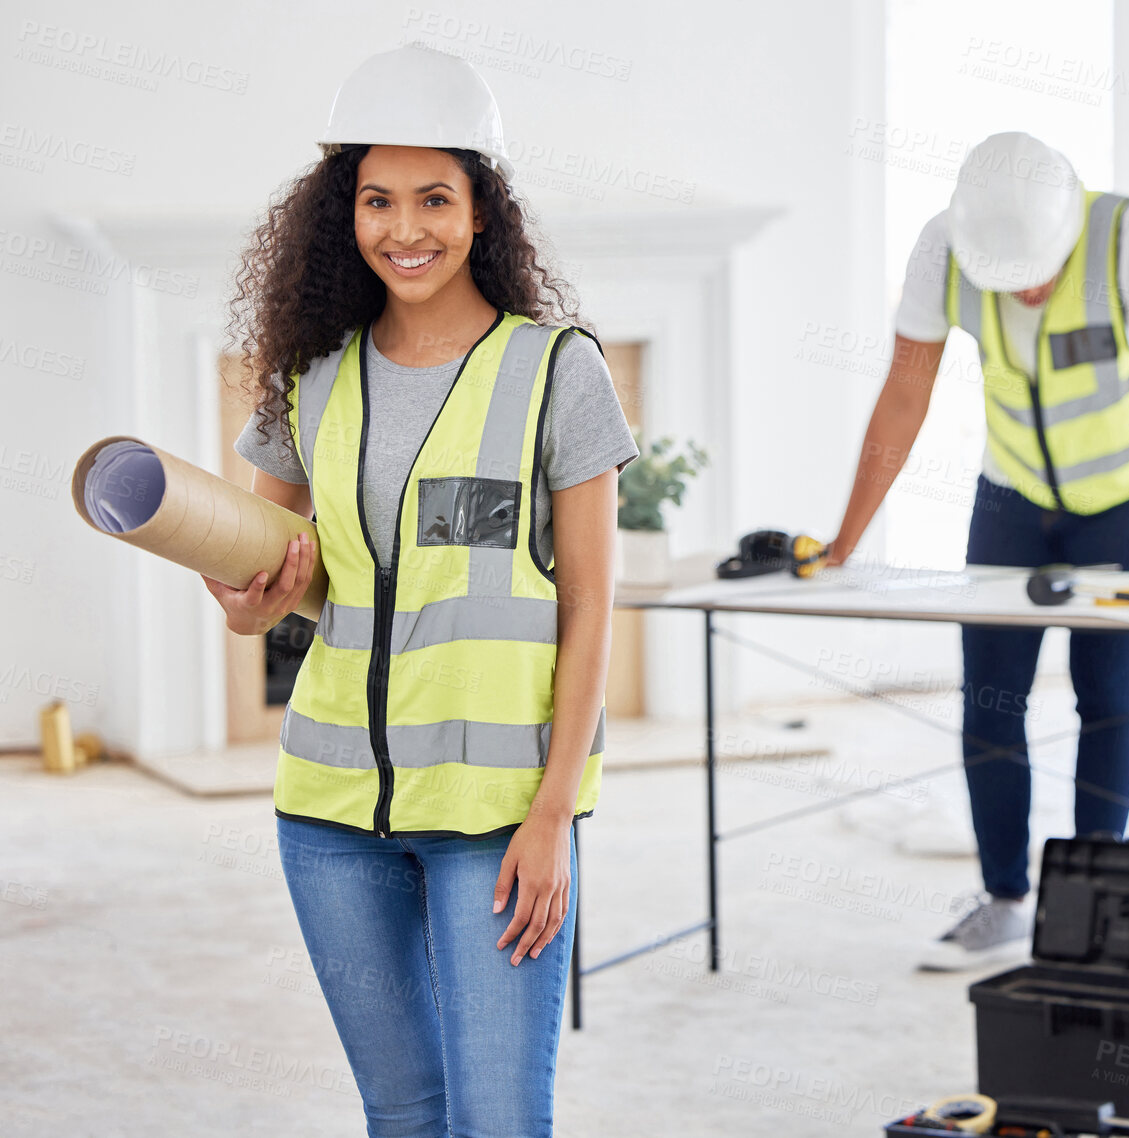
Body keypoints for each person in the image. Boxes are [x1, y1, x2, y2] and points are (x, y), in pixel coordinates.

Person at [212, 43, 637, 1136]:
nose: (407, 229)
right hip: (327, 813)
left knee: (498, 1116)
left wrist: (556, 812)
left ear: (482, 211)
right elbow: (271, 590)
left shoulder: (557, 371)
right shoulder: (308, 375)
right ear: (341, 215)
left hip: (497, 817)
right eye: (378, 201)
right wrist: (243, 597)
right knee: (403, 1112)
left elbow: (591, 602)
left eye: (435, 198)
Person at [826, 132, 1129, 972]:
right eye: (1009, 279)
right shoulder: (943, 247)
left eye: (1038, 271)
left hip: (1128, 501)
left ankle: (1091, 899)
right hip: (1013, 495)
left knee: (1106, 690)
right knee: (990, 699)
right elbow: (903, 396)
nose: (1025, 289)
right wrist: (845, 540)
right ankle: (1003, 898)